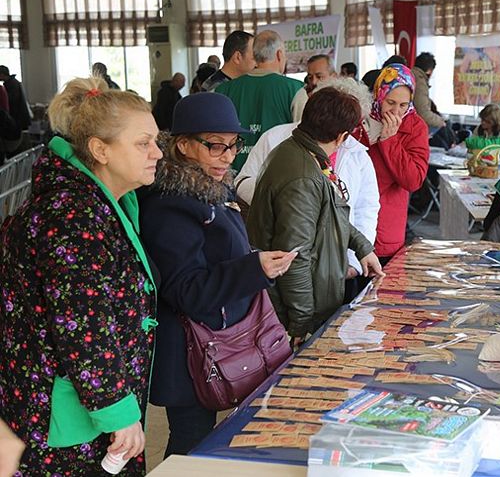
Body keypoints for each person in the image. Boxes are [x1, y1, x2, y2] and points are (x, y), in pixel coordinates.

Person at [0, 77, 162, 475]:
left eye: (157, 140)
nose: (158, 152)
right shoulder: (70, 216)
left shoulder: (97, 202)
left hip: (84, 404)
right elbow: (83, 325)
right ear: (99, 149)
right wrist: (118, 414)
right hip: (66, 416)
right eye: (144, 143)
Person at [137, 92, 296, 456]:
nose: (227, 156)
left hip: (223, 339)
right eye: (215, 146)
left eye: (233, 146)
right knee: (191, 445)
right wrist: (252, 268)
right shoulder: (168, 205)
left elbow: (219, 256)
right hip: (193, 355)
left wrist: (254, 261)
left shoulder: (210, 189)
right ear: (183, 145)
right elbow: (186, 289)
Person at [247, 87, 384, 349]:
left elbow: (331, 212)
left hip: (313, 292)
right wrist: (301, 322)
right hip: (297, 307)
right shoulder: (301, 177)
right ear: (341, 135)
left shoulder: (301, 151)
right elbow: (293, 257)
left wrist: (363, 247)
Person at [360, 64, 429, 263]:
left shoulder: (416, 127)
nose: (396, 111)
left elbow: (414, 180)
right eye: (390, 102)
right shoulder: (361, 119)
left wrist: (389, 140)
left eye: (403, 105)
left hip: (386, 227)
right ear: (379, 95)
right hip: (352, 222)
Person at [216, 30, 303, 171]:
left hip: (231, 177)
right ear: (279, 55)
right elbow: (304, 139)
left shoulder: (222, 90)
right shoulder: (295, 89)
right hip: (277, 178)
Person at [291, 54, 337, 123]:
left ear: (334, 76)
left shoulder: (344, 98)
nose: (314, 82)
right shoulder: (303, 99)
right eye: (310, 77)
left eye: (319, 77)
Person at [412, 52, 446, 130]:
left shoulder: (410, 75)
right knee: (444, 128)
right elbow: (423, 113)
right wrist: (441, 122)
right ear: (429, 70)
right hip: (414, 126)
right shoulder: (420, 83)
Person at [0, 65, 31, 149]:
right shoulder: (12, 82)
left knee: (17, 144)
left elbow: (11, 102)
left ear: (3, 74)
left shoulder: (12, 84)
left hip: (17, 118)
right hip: (17, 118)